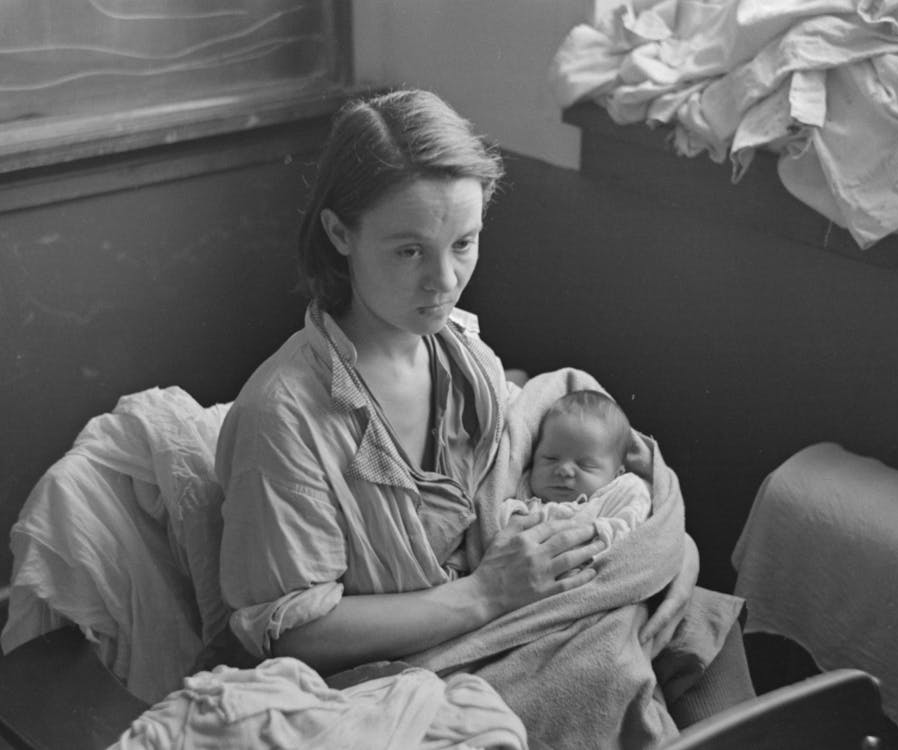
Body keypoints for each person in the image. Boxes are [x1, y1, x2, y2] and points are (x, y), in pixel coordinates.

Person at [216, 88, 754, 744]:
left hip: (506, 610)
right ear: (339, 234)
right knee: (603, 668)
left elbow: (510, 463)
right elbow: (294, 633)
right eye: (409, 251)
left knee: (696, 613)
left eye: (463, 243)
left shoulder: (462, 356)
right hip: (397, 668)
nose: (443, 280)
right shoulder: (286, 417)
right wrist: (486, 595)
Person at [498, 389, 651, 555]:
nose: (564, 470)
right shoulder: (521, 498)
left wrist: (594, 534)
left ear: (617, 474)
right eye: (550, 458)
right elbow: (494, 526)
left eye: (585, 464)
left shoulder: (621, 492)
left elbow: (631, 528)